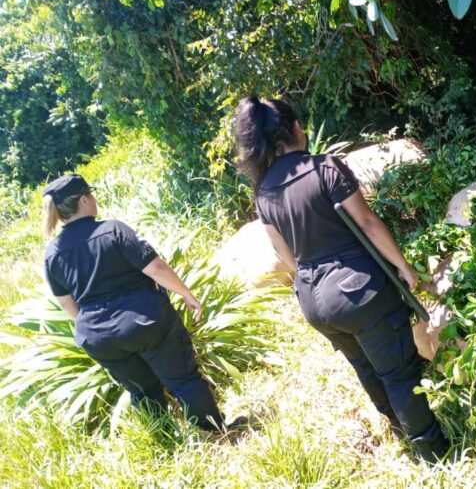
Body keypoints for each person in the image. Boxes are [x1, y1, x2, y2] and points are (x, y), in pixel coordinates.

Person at [234, 96, 450, 462]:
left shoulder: (264, 192)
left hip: (313, 300)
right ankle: (434, 453)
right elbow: (367, 222)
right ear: (295, 129)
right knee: (398, 373)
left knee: (365, 366)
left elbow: (286, 256)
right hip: (359, 290)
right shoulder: (325, 168)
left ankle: (398, 429)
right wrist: (405, 268)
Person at [42, 174, 231, 433]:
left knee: (142, 390)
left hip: (98, 337)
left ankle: (165, 441)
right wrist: (186, 293)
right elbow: (155, 267)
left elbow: (67, 304)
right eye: (92, 194)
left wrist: (98, 327)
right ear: (84, 199)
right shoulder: (111, 230)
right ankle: (216, 432)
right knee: (182, 379)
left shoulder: (52, 253)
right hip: (144, 319)